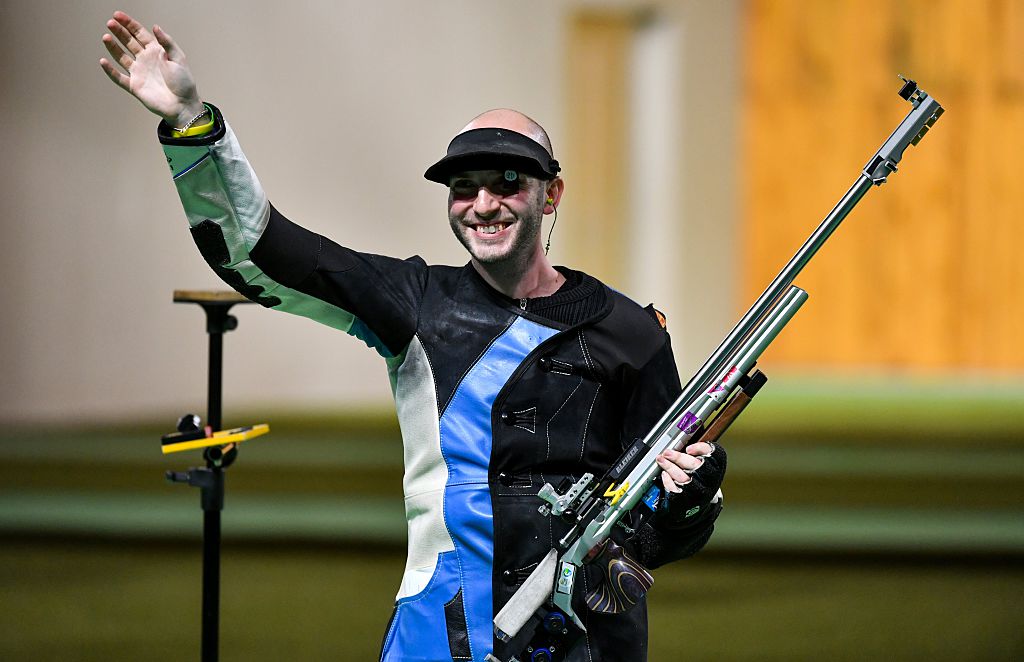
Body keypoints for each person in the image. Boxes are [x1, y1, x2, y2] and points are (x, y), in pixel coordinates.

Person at [100, 11, 726, 662]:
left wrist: (691, 497)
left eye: (509, 181)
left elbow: (658, 535)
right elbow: (256, 249)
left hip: (589, 641)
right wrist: (191, 124)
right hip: (440, 634)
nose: (485, 203)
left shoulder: (630, 330)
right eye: (464, 187)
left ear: (552, 193)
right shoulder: (413, 302)